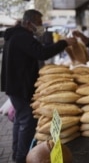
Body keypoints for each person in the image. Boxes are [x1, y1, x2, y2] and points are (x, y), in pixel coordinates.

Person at [1, 9, 77, 163]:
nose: (41, 27)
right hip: (20, 88)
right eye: (39, 23)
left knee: (19, 121)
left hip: (15, 87)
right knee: (27, 122)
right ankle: (22, 158)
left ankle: (17, 154)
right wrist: (63, 43)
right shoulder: (22, 37)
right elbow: (41, 53)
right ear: (29, 23)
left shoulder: (16, 35)